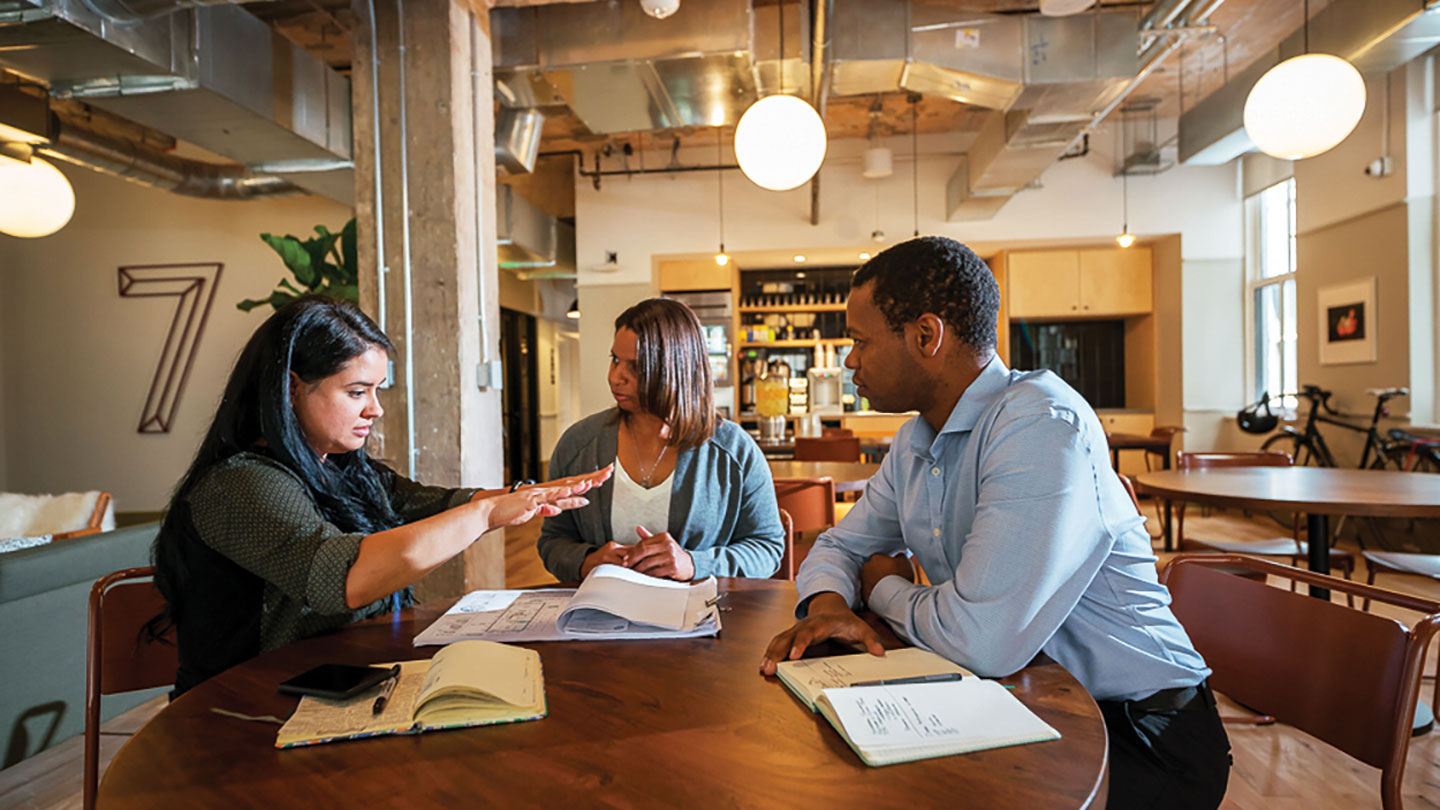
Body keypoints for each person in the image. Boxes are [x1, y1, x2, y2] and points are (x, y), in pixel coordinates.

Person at [759, 237, 1229, 809]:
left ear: (926, 336)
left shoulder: (1040, 427)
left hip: (1142, 732)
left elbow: (981, 642)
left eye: (859, 341)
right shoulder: (914, 441)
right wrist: (829, 605)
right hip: (1020, 699)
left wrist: (880, 586)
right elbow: (839, 545)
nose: (850, 361)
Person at [152, 296, 608, 695]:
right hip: (242, 708)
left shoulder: (342, 467)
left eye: (375, 390)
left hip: (334, 681)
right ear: (291, 388)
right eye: (356, 392)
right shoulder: (239, 484)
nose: (376, 408)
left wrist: (518, 496)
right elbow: (341, 578)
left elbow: (427, 504)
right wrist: (487, 513)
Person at [538, 297, 784, 581]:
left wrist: (694, 563)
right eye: (615, 360)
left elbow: (767, 549)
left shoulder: (733, 451)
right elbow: (553, 540)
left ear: (677, 369)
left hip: (702, 617)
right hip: (601, 615)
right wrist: (587, 561)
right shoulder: (577, 445)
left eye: (636, 366)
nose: (616, 376)